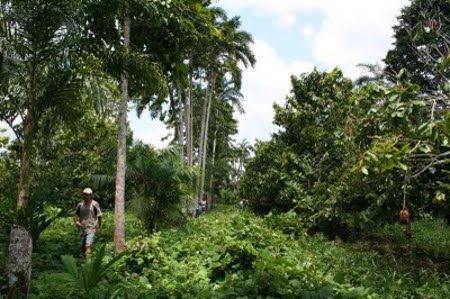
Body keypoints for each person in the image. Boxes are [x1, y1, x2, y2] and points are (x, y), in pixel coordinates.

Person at [74, 188, 102, 257]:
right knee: (83, 246)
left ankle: (88, 263)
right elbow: (76, 215)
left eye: (87, 195)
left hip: (92, 228)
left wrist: (99, 226)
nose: (85, 196)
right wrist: (77, 222)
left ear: (90, 195)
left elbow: (99, 216)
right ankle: (84, 259)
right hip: (83, 228)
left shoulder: (95, 204)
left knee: (88, 245)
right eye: (84, 194)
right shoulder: (80, 205)